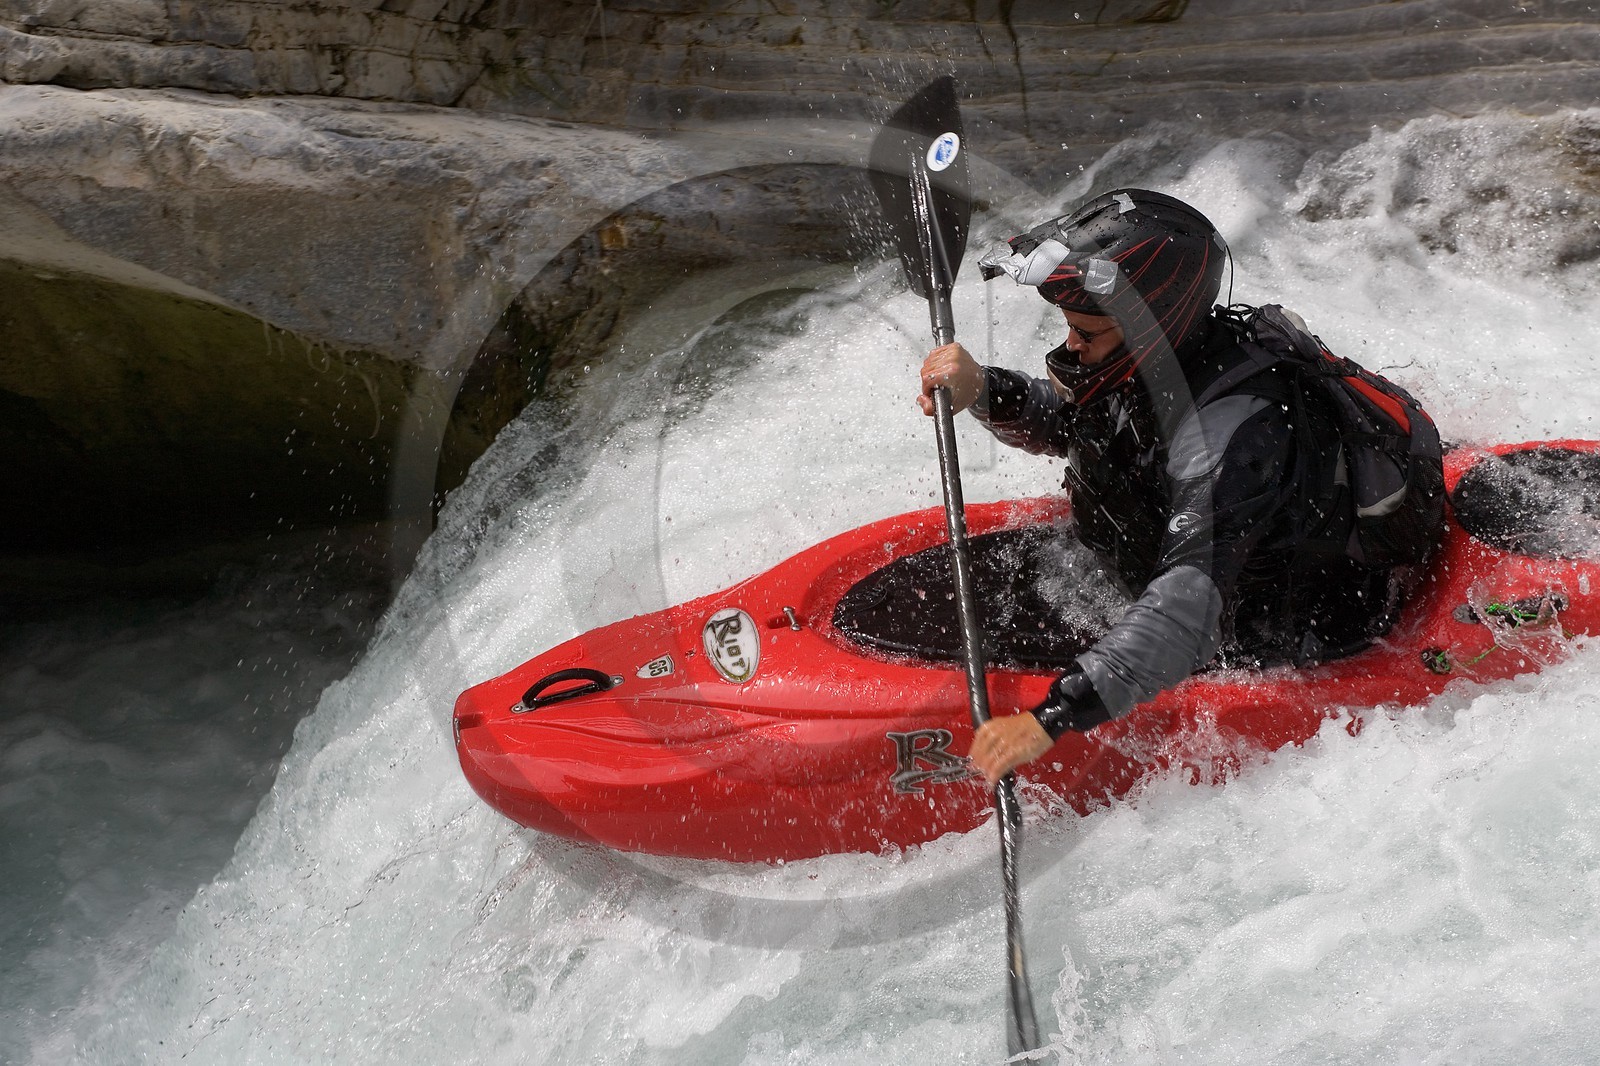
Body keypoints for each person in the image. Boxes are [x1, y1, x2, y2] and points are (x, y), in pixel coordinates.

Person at [916, 188, 1439, 786]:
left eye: (1087, 332)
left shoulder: (1232, 440)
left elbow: (1184, 617)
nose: (1071, 348)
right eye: (1071, 328)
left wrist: (1048, 721)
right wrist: (981, 387)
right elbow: (1080, 427)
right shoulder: (1161, 362)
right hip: (1166, 580)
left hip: (1263, 638)